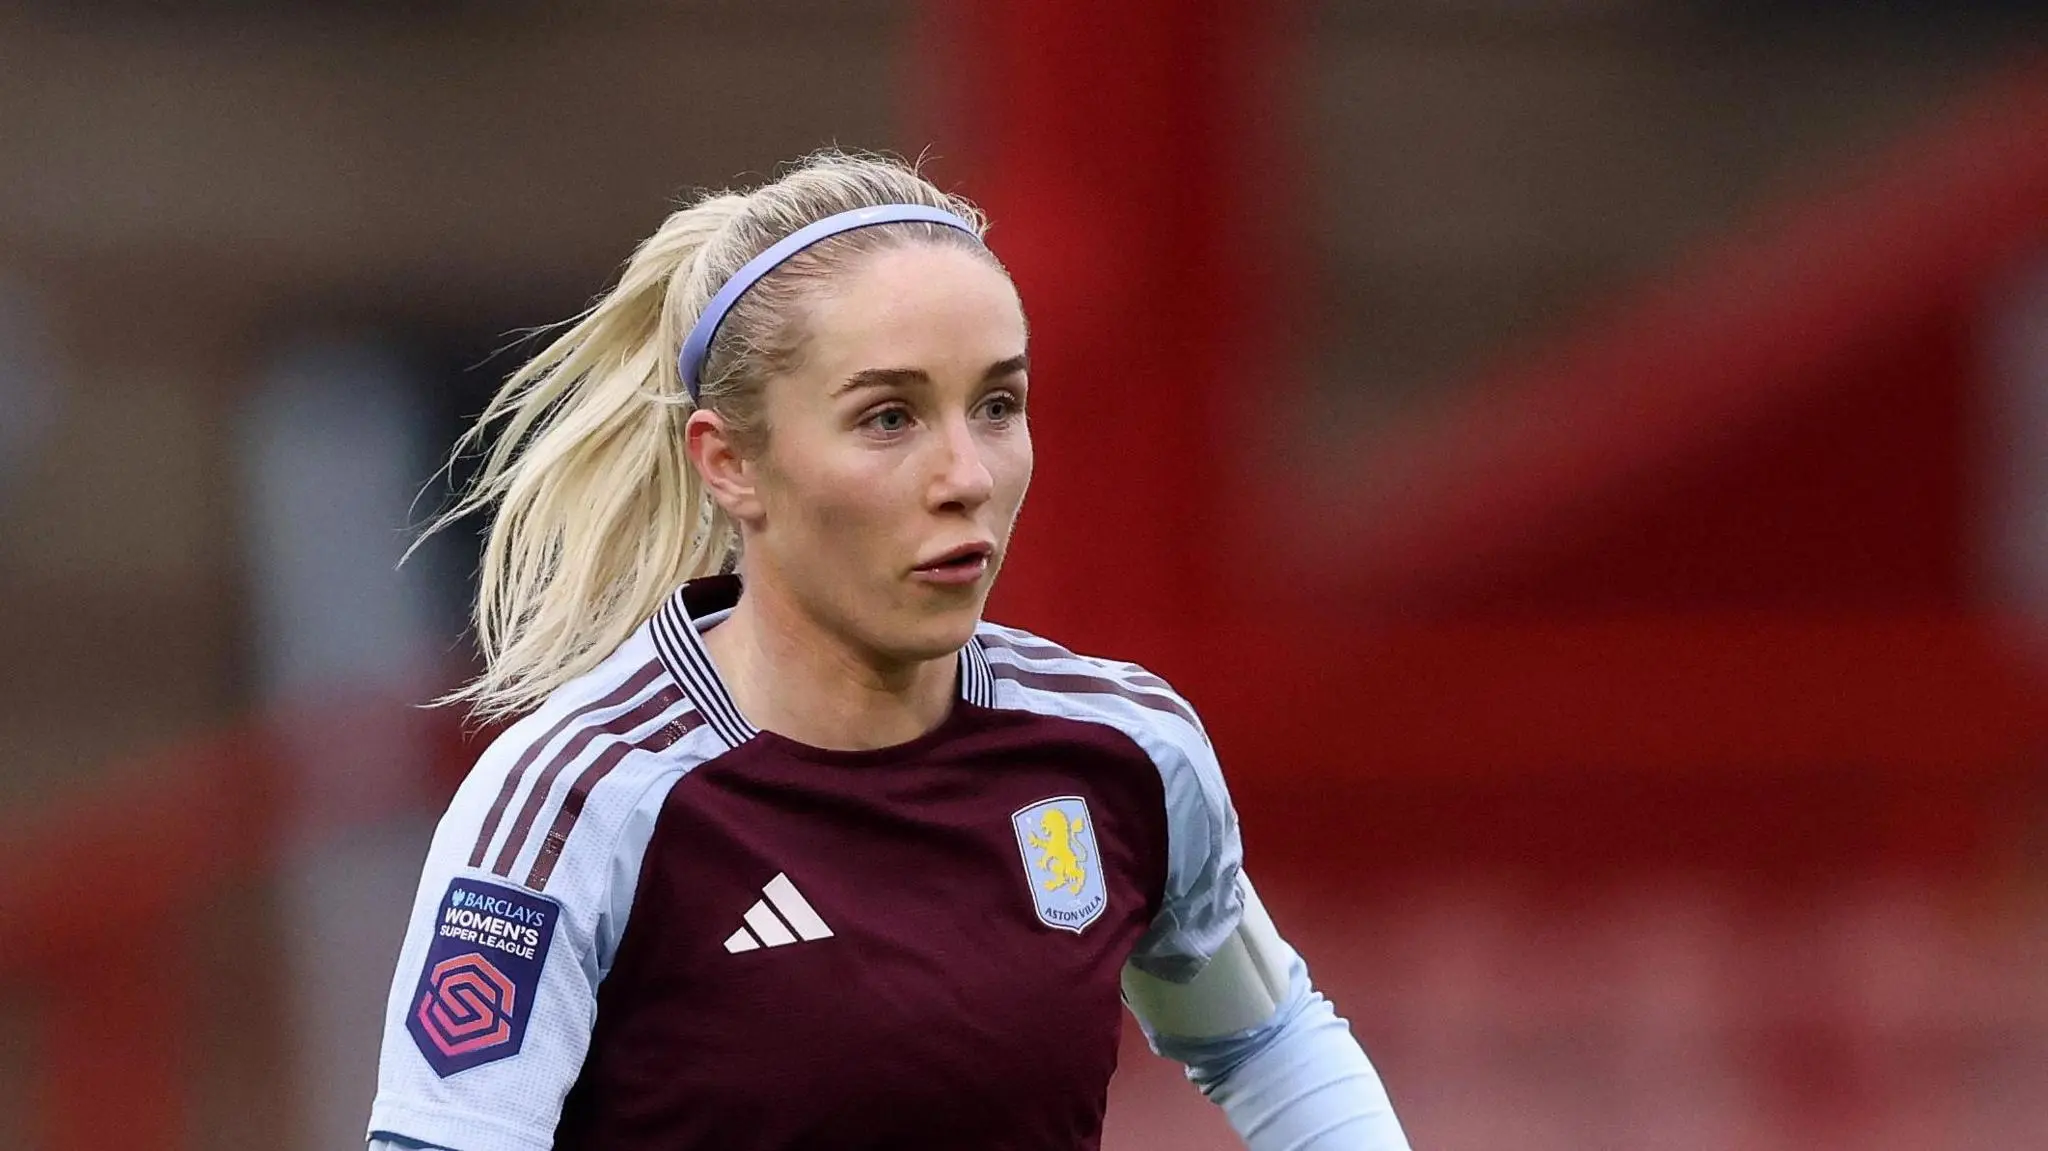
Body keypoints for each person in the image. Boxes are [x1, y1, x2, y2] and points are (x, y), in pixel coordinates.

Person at [367, 151, 1409, 1151]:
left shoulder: (1121, 748)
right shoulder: (580, 796)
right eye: (888, 417)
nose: (964, 472)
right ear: (729, 461)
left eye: (997, 404)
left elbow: (1262, 1031)